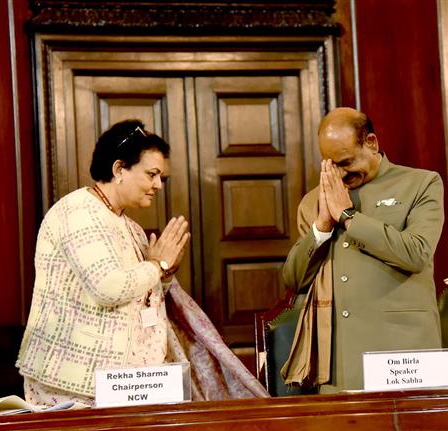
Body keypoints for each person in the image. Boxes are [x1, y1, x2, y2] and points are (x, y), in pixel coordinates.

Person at [17, 119, 267, 406]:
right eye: (152, 174)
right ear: (119, 169)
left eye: (160, 177)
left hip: (129, 385)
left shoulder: (128, 225)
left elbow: (143, 292)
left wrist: (165, 274)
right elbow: (108, 289)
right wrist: (157, 266)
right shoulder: (77, 213)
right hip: (76, 383)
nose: (158, 185)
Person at [281, 107, 444, 393]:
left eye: (346, 162)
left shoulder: (421, 183)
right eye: (332, 165)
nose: (341, 174)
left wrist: (348, 217)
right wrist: (321, 225)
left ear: (371, 143)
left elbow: (416, 253)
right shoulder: (314, 201)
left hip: (404, 359)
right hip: (338, 365)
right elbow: (295, 280)